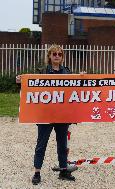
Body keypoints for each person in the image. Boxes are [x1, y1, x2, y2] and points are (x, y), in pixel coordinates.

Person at [16, 44, 76, 185]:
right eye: (54, 54)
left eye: (59, 54)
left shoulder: (67, 72)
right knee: (41, 144)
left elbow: (76, 89)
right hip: (45, 115)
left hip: (62, 115)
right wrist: (20, 81)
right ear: (49, 56)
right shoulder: (42, 71)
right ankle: (37, 172)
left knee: (62, 143)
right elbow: (30, 85)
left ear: (62, 57)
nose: (56, 56)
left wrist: (82, 77)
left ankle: (63, 170)